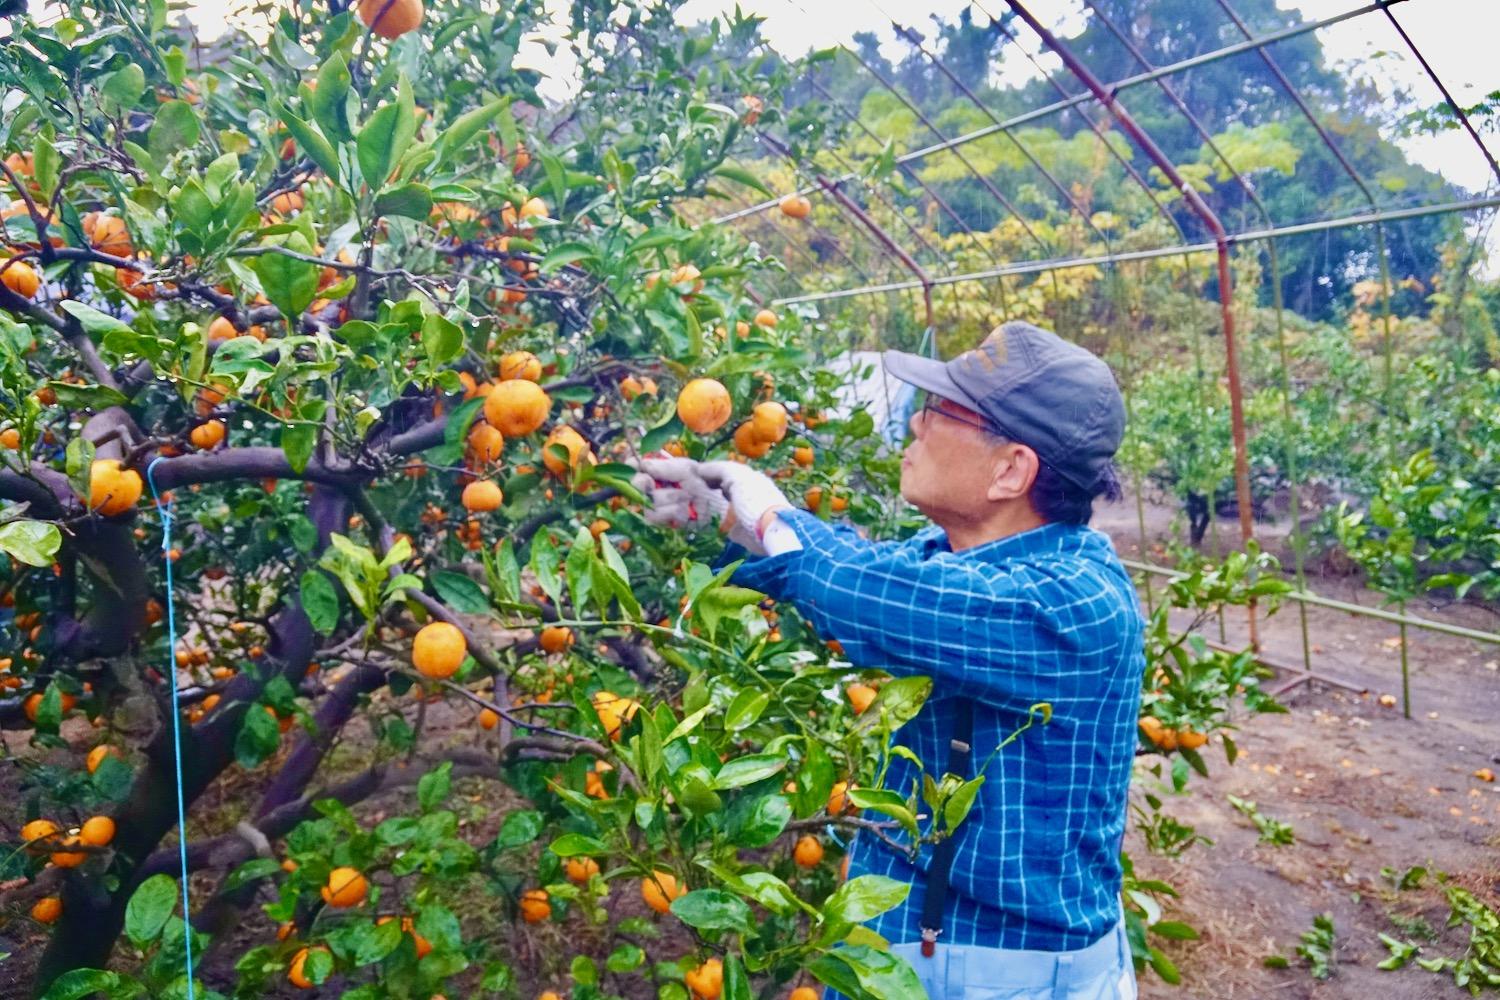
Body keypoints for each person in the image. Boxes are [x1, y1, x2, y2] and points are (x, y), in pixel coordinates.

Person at [637, 321, 1145, 1000]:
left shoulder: (1075, 603)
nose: (913, 426)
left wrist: (769, 516)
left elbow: (873, 596)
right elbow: (870, 576)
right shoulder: (953, 557)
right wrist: (729, 520)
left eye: (939, 413)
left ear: (1011, 470)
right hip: (909, 949)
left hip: (1008, 975)